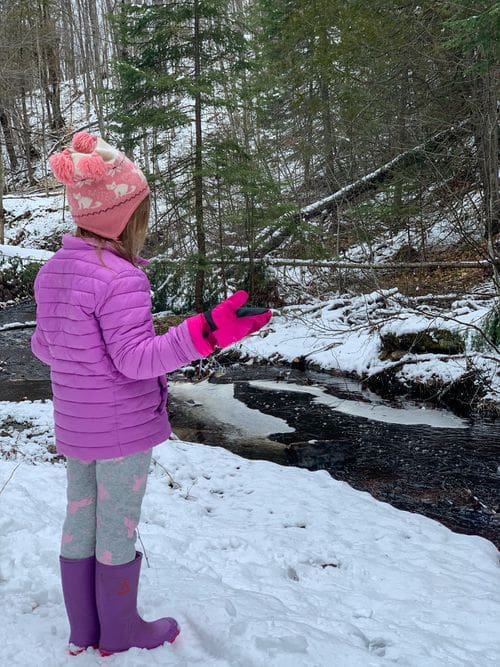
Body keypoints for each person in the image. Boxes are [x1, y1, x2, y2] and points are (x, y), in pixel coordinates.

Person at [31, 131, 272, 656]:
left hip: (76, 427)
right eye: (141, 210)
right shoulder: (122, 280)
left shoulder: (53, 271)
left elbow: (44, 347)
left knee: (81, 515)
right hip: (121, 431)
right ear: (123, 217)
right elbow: (136, 360)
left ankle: (83, 631)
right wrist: (210, 330)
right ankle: (119, 633)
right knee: (117, 524)